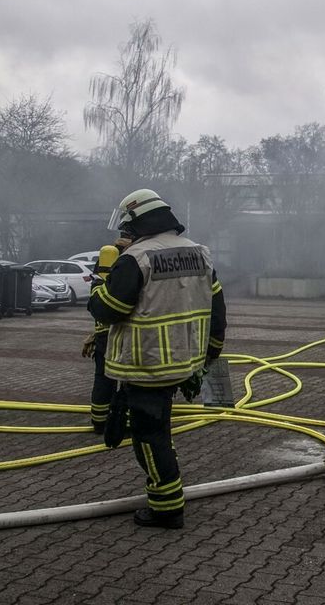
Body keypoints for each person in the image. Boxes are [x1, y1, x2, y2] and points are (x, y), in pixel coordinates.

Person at [87, 189, 226, 529]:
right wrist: (210, 352)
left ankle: (166, 508)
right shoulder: (200, 253)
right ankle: (167, 499)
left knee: (149, 437)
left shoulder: (137, 258)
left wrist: (99, 282)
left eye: (127, 226)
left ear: (138, 222)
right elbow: (218, 310)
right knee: (159, 430)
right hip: (183, 361)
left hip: (145, 364)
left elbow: (110, 309)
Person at [82, 236, 132, 435]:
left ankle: (99, 421)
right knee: (129, 379)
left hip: (103, 334)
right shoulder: (130, 264)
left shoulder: (104, 266)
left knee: (103, 378)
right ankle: (124, 422)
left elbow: (98, 303)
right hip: (124, 333)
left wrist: (94, 335)